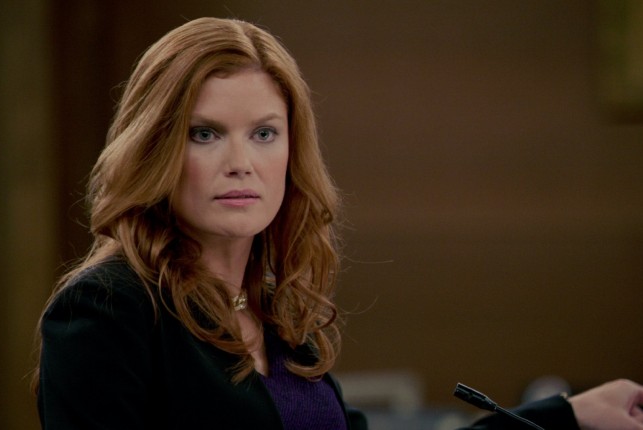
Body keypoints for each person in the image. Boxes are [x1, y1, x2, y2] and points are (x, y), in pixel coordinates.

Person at [34, 17, 643, 430]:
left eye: (264, 134)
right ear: (156, 149)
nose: (241, 163)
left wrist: (566, 416)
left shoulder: (274, 311)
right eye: (205, 134)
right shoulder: (107, 308)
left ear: (290, 151)